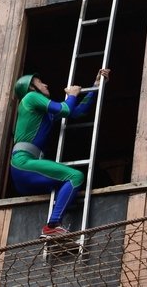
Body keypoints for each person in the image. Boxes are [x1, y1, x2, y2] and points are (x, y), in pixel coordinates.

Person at [10, 68, 110, 238]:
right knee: (74, 176)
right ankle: (53, 225)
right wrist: (72, 95)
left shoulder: (42, 112)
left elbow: (77, 111)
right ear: (31, 87)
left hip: (26, 167)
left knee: (65, 182)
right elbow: (66, 109)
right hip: (23, 163)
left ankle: (54, 224)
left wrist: (96, 86)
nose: (45, 84)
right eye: (40, 82)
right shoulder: (31, 97)